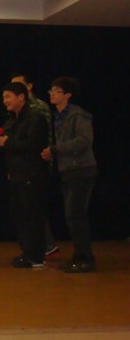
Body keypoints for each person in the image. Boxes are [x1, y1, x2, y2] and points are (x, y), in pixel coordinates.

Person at [0, 82, 49, 268]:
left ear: (21, 97)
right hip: (16, 176)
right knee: (19, 216)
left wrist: (8, 143)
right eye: (3, 97)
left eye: (8, 96)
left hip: (31, 175)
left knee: (32, 216)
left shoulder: (35, 118)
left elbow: (34, 145)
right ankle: (27, 253)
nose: (4, 101)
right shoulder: (11, 121)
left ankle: (36, 257)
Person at [41, 77, 97, 273]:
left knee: (75, 215)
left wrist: (55, 149)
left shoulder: (78, 115)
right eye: (51, 90)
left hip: (82, 169)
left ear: (68, 95)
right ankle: (80, 256)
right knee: (72, 215)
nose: (52, 94)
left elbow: (84, 140)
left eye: (57, 91)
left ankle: (85, 259)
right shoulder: (58, 116)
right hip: (69, 170)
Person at [10, 72, 59, 257]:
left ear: (29, 87)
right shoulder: (17, 111)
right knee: (26, 207)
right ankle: (42, 246)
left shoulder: (37, 107)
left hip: (38, 161)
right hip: (23, 165)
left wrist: (47, 155)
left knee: (34, 206)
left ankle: (43, 247)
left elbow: (43, 135)